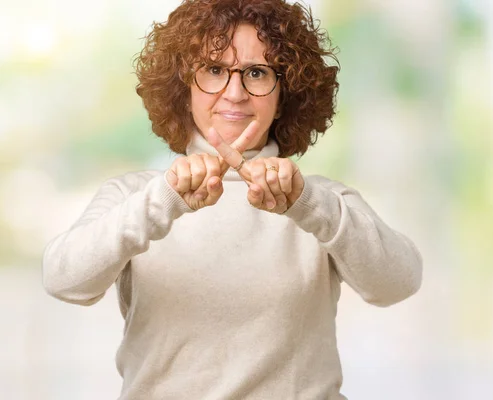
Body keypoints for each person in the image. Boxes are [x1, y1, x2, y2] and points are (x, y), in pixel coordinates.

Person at [42, 0, 423, 399]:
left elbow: (397, 283)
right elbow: (65, 281)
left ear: (286, 90)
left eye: (256, 73)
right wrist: (164, 201)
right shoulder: (134, 197)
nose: (234, 93)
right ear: (183, 87)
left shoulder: (324, 202)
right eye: (214, 70)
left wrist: (310, 205)